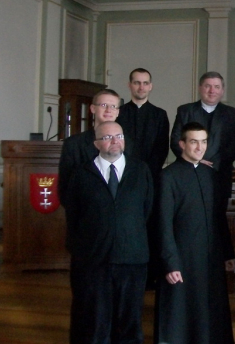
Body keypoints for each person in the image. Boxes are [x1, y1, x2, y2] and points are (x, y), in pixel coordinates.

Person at [63, 121, 153, 344]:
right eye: (107, 137)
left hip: (132, 259)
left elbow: (147, 210)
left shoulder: (141, 170)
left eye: (119, 136)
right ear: (96, 144)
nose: (115, 141)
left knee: (129, 323)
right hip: (95, 262)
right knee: (95, 323)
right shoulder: (81, 174)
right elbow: (74, 216)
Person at [154, 122, 235, 344]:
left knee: (211, 313)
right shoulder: (168, 176)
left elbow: (219, 218)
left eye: (203, 142)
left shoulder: (211, 175)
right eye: (193, 142)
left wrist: (228, 253)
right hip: (181, 259)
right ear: (182, 144)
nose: (200, 147)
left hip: (210, 258)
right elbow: (163, 223)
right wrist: (170, 263)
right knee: (179, 315)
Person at [116, 67, 169, 288]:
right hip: (123, 179)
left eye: (145, 83)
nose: (141, 87)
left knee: (151, 226)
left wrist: (146, 173)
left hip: (151, 179)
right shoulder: (119, 113)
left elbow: (162, 148)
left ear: (151, 86)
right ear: (129, 85)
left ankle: (150, 275)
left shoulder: (160, 114)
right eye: (137, 82)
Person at [170, 71, 235, 215]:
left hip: (219, 175)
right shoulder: (185, 111)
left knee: (218, 219)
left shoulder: (232, 114)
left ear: (222, 90)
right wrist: (196, 161)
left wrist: (213, 163)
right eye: (207, 86)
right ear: (200, 88)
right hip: (188, 173)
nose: (212, 90)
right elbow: (176, 140)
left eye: (216, 87)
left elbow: (234, 146)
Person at [58, 88, 124, 204]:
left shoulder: (129, 143)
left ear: (117, 112)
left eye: (113, 106)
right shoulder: (73, 144)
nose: (108, 110)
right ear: (93, 108)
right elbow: (65, 188)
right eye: (103, 105)